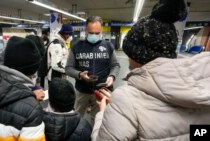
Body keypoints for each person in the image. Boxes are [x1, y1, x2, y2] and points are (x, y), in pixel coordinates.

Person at [91, 0, 210, 140]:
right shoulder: (203, 89)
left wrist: (104, 114)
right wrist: (121, 110)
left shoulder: (125, 98)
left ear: (137, 56)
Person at [65, 16, 120, 124]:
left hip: (102, 91)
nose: (93, 35)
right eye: (91, 32)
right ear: (85, 30)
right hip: (82, 91)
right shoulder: (76, 47)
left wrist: (112, 76)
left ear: (101, 31)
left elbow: (115, 65)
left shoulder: (108, 46)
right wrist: (80, 74)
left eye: (97, 33)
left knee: (99, 119)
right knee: (76, 118)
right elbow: (68, 68)